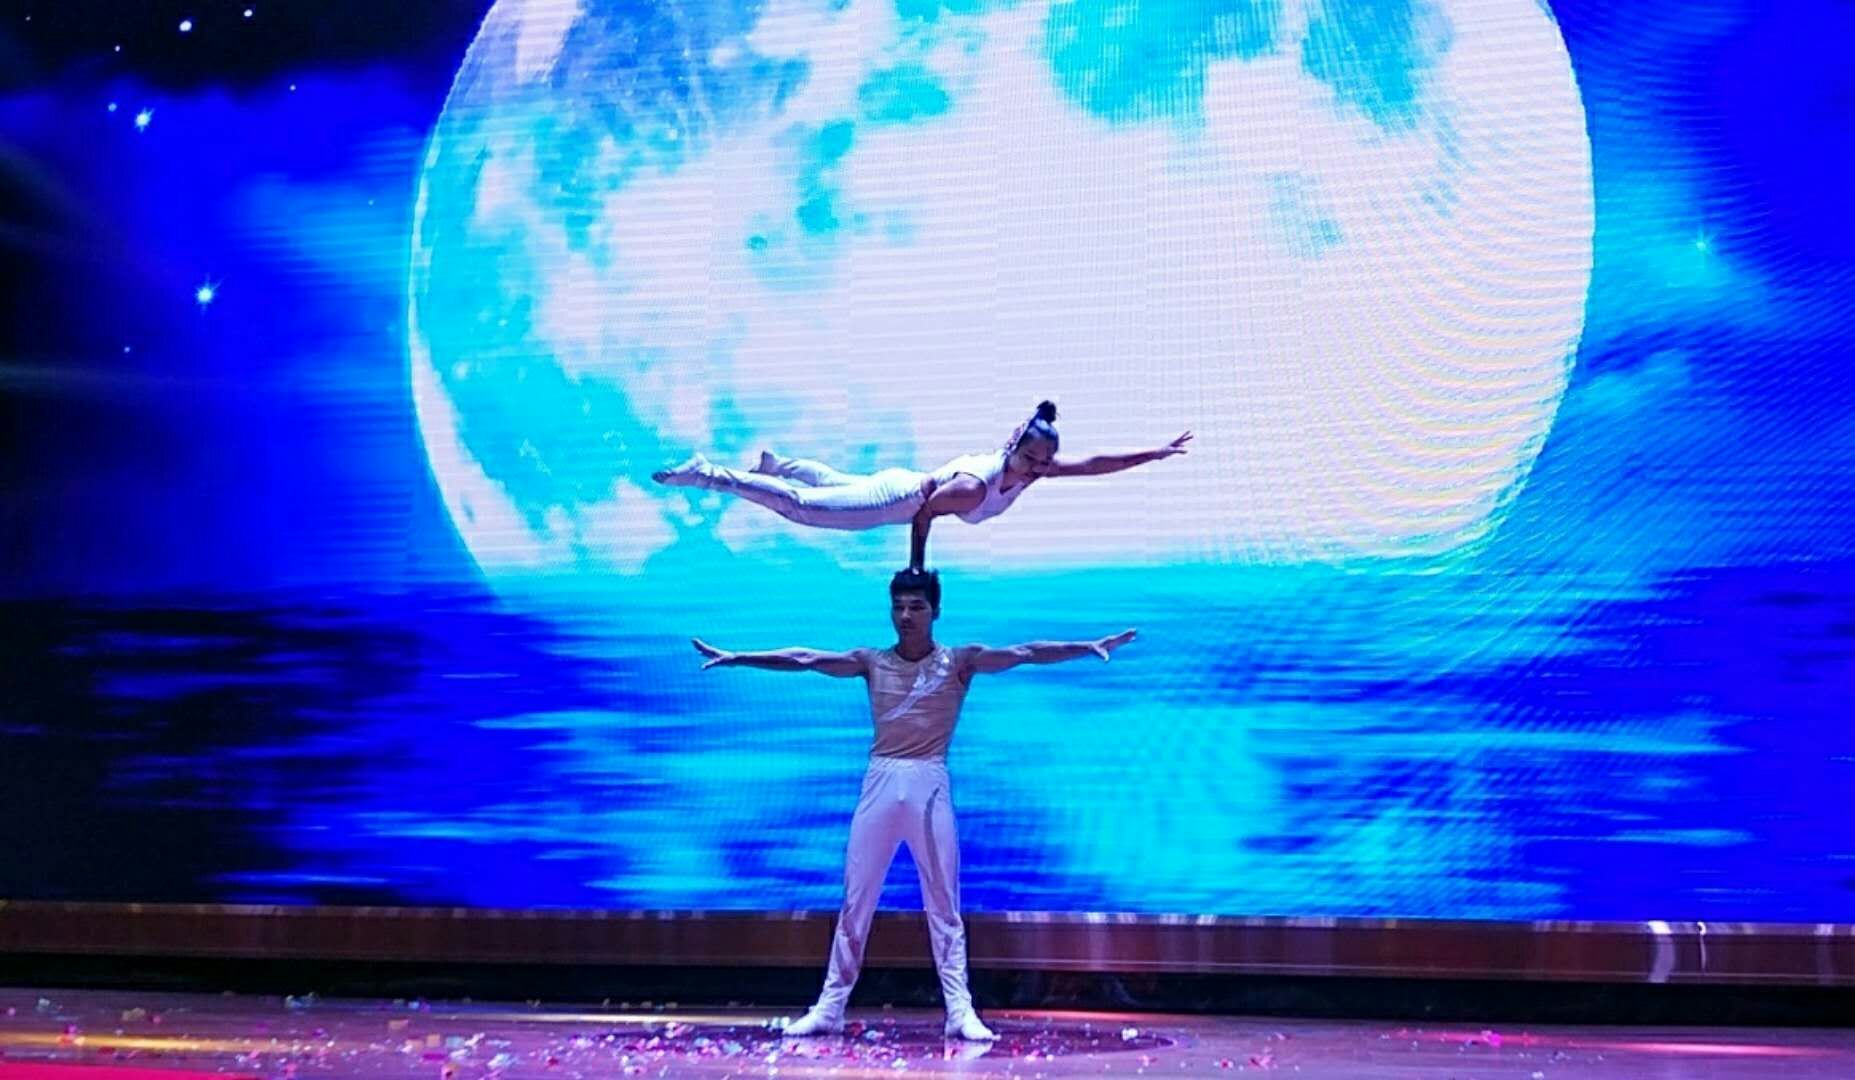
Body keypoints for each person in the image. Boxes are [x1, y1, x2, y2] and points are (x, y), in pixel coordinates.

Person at [690, 568, 1137, 1039]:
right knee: (856, 900)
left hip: (929, 782)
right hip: (880, 779)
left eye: (916, 607)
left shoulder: (960, 661)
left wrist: (1088, 646)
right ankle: (829, 1007)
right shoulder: (871, 662)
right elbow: (805, 658)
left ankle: (960, 1011)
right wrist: (738, 657)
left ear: (935, 612)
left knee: (943, 902)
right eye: (899, 607)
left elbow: (1026, 652)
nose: (905, 615)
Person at [654, 401, 1191, 570]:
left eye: (1045, 462)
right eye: (1032, 459)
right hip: (899, 498)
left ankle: (780, 463)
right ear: (1014, 445)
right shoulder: (977, 486)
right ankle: (708, 473)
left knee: (835, 484)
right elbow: (926, 513)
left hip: (903, 481)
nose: (1039, 469)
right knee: (804, 510)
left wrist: (1155, 452)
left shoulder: (1035, 470)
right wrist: (915, 569)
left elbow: (1094, 464)